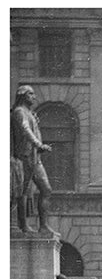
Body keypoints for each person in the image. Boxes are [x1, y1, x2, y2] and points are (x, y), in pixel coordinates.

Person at [10, 84, 54, 233]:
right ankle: (23, 225)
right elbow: (25, 129)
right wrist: (38, 144)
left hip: (35, 158)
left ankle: (43, 225)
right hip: (24, 156)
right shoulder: (19, 112)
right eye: (31, 94)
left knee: (46, 189)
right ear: (23, 96)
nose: (34, 97)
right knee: (22, 191)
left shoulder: (29, 113)